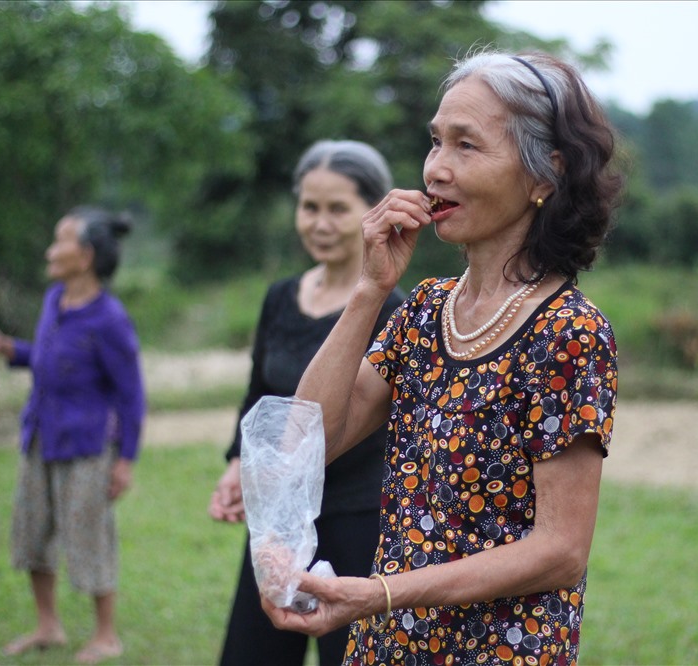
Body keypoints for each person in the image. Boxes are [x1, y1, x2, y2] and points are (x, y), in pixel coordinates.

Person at [259, 48, 623, 665]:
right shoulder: (425, 311)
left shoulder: (568, 333)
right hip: (391, 644)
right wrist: (369, 290)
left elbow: (562, 549)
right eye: (435, 143)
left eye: (466, 145)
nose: (436, 171)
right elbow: (305, 443)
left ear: (544, 175)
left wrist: (379, 593)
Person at [208, 140, 405, 666]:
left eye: (337, 208)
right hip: (280, 524)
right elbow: (258, 394)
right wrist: (237, 464)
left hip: (362, 517)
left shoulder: (392, 309)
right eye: (309, 207)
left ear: (373, 212)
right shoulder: (280, 297)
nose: (319, 223)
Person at [0, 206, 145, 664]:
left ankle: (106, 635)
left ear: (84, 255)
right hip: (40, 438)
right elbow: (47, 361)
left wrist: (125, 460)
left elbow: (131, 395)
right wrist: (7, 347)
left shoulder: (109, 319)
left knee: (88, 537)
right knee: (33, 533)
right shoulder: (54, 300)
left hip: (88, 448)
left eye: (59, 241)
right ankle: (48, 625)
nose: (50, 251)